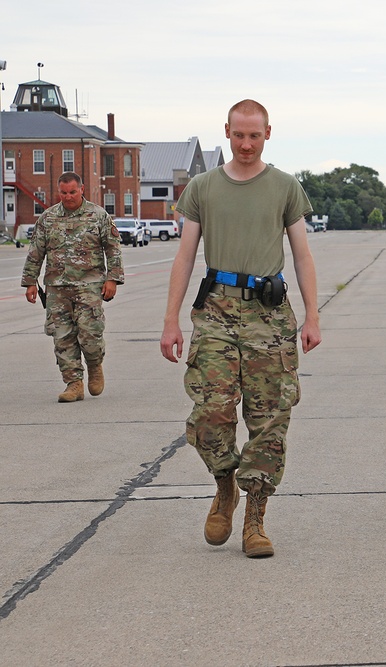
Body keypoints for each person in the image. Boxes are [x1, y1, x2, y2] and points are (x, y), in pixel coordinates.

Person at [160, 99, 321, 558]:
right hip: (216, 312)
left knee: (269, 418)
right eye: (238, 135)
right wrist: (171, 321)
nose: (246, 144)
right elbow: (185, 256)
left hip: (270, 317)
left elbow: (303, 255)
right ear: (226, 133)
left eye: (254, 135)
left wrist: (313, 315)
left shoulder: (285, 187)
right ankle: (225, 483)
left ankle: (255, 518)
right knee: (210, 412)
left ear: (268, 133)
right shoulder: (202, 187)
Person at [21, 172, 124, 402]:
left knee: (90, 334)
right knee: (62, 337)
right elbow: (36, 251)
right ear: (59, 192)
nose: (68, 197)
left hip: (89, 287)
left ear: (82, 189)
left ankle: (95, 365)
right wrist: (30, 282)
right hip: (57, 288)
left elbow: (113, 249)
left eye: (72, 192)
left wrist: (112, 279)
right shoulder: (48, 218)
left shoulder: (98, 216)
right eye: (63, 193)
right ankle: (73, 383)